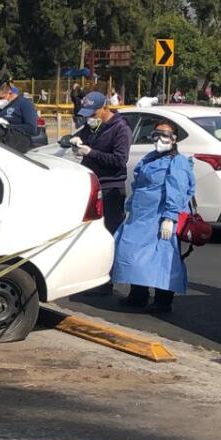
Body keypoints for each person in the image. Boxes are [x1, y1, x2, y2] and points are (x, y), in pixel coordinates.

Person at [111, 121, 196, 311]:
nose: (159, 139)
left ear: (174, 139)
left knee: (163, 259)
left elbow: (178, 190)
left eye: (164, 135)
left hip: (161, 218)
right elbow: (139, 184)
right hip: (141, 217)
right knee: (133, 255)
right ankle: (138, 295)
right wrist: (131, 207)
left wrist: (170, 217)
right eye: (156, 134)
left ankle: (163, 301)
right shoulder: (150, 158)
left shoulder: (177, 162)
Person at [70, 94, 132, 295]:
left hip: (111, 187)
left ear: (104, 108)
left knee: (108, 233)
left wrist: (91, 153)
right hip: (92, 183)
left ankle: (106, 280)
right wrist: (76, 143)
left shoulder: (120, 129)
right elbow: (85, 139)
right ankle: (90, 275)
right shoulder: (92, 126)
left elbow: (119, 160)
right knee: (89, 232)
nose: (90, 118)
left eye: (93, 113)